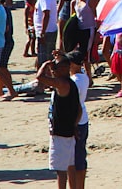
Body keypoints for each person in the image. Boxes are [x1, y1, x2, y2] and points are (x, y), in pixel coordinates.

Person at [36, 56, 81, 189]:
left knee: (61, 170)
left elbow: (40, 78)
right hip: (68, 131)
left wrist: (44, 65)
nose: (53, 70)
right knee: (70, 165)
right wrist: (74, 125)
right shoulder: (71, 83)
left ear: (65, 69)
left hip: (60, 133)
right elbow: (79, 109)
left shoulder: (62, 83)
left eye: (56, 67)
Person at [65, 50, 90, 189]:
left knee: (73, 161)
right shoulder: (83, 77)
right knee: (79, 158)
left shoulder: (74, 81)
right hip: (83, 120)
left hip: (75, 122)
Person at [33, 0, 58, 66]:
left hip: (46, 31)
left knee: (44, 59)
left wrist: (42, 32)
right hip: (49, 30)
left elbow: (46, 14)